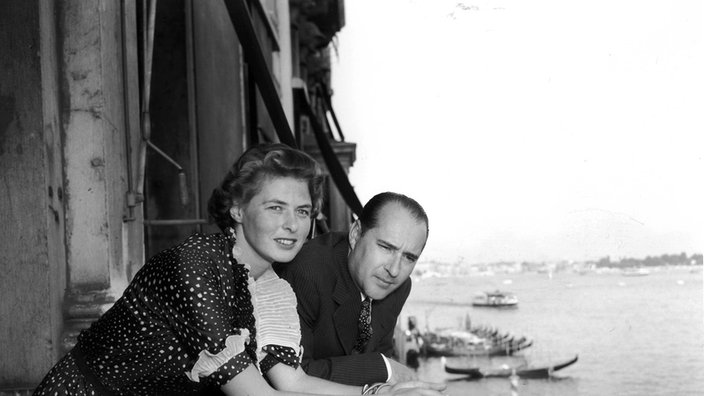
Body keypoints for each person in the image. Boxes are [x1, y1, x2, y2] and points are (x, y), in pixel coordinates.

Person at [34, 144, 445, 396]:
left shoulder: (270, 289)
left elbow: (293, 382)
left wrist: (379, 391)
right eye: (275, 208)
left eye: (302, 211)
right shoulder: (196, 267)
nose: (292, 225)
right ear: (237, 208)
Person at [275, 192, 429, 386]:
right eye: (386, 247)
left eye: (409, 257)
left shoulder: (399, 286)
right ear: (356, 234)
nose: (394, 270)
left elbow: (380, 355)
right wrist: (383, 367)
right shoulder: (306, 272)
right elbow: (296, 376)